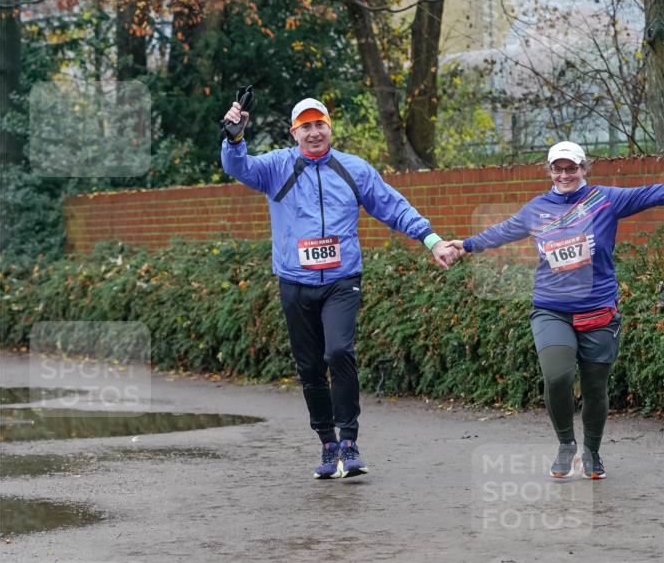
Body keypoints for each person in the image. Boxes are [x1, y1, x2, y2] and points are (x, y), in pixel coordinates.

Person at [221, 95, 456, 479]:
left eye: (319, 125)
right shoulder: (277, 167)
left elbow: (392, 206)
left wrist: (432, 240)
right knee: (310, 366)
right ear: (294, 133)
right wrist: (234, 140)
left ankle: (350, 441)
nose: (313, 133)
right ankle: (327, 445)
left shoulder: (353, 169)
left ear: (330, 128)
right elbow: (238, 167)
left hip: (342, 280)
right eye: (305, 127)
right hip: (295, 282)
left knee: (339, 351)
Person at [441, 141, 663, 480]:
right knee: (557, 375)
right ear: (549, 171)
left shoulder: (605, 200)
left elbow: (652, 193)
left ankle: (592, 450)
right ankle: (565, 444)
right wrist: (466, 245)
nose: (564, 174)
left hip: (598, 309)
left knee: (594, 387)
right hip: (551, 309)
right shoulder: (537, 208)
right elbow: (504, 231)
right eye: (557, 168)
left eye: (571, 168)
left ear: (584, 169)